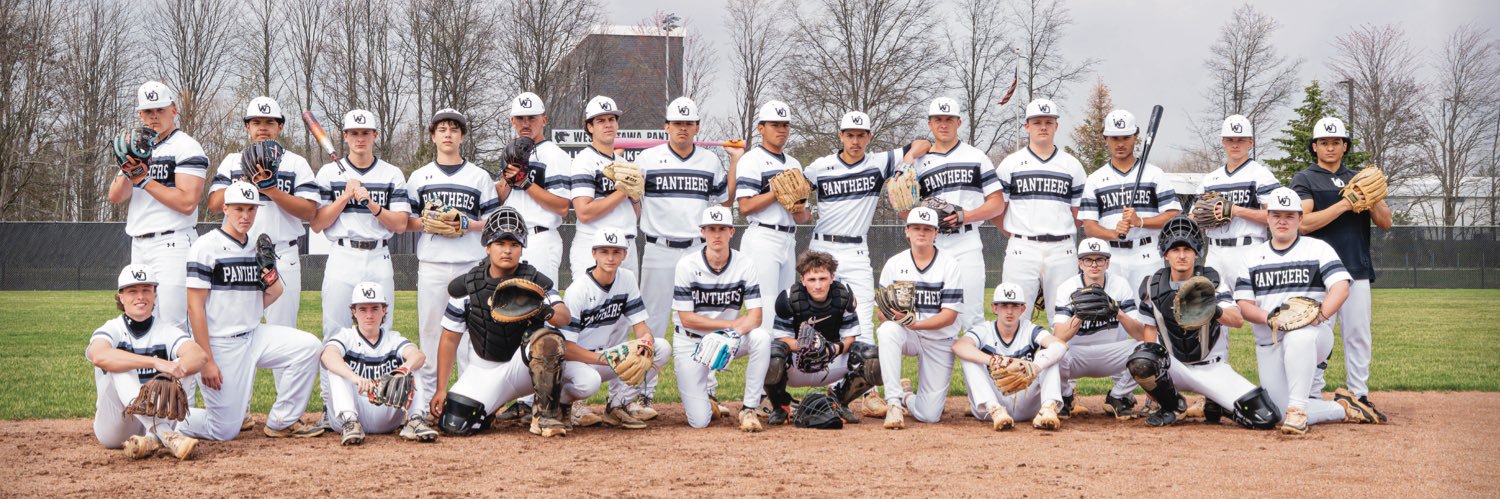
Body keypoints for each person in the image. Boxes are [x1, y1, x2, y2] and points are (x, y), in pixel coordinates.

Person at [801, 111, 929, 417]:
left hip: (857, 250)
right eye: (850, 135)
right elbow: (797, 194)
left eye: (861, 135)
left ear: (869, 137)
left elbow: (923, 142)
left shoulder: (879, 162)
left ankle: (868, 391)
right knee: (822, 321)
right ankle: (826, 387)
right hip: (822, 248)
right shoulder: (820, 167)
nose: (855, 140)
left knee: (863, 322)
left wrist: (907, 161)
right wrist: (798, 207)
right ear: (841, 136)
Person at [430, 208, 597, 438]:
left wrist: (541, 309)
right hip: (485, 369)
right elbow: (449, 339)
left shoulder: (534, 281)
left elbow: (563, 317)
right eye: (500, 243)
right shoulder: (468, 286)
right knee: (454, 424)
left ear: (522, 247)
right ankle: (491, 406)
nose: (507, 250)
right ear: (487, 246)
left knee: (586, 379)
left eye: (514, 244)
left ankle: (547, 413)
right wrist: (441, 389)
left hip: (523, 368)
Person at [176, 181, 324, 441]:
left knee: (309, 347)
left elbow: (276, 292)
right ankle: (164, 419)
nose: (245, 216)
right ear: (225, 208)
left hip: (255, 335)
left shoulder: (257, 244)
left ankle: (282, 420)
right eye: (239, 209)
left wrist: (269, 271)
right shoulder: (205, 246)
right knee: (224, 430)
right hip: (221, 343)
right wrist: (207, 360)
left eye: (251, 209)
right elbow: (194, 307)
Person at [630, 97, 744, 420]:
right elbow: (631, 197)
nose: (682, 128)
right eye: (677, 123)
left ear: (696, 128)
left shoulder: (709, 160)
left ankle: (707, 390)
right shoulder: (647, 159)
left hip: (697, 250)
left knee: (701, 321)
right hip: (658, 248)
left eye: (688, 123)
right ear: (666, 126)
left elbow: (725, 200)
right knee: (653, 323)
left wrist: (735, 161)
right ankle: (643, 393)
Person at [1235, 187, 1382, 435]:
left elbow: (1341, 287)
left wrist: (1320, 317)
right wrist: (1269, 318)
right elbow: (1244, 306)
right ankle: (1343, 408)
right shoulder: (1252, 257)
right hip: (1270, 342)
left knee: (1298, 333)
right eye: (1276, 215)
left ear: (1300, 219)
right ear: (1268, 218)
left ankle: (1298, 412)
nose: (1282, 221)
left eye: (1289, 216)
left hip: (1313, 336)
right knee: (1277, 413)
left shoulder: (1317, 249)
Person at [1131, 217, 1282, 430]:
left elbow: (1237, 320)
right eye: (1175, 250)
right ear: (1165, 253)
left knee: (1265, 417)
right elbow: (1149, 333)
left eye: (1187, 249)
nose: (1181, 255)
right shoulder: (1152, 286)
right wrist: (1153, 386)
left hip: (1213, 368)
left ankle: (1218, 403)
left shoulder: (1211, 281)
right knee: (1142, 360)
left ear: (1197, 252)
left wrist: (1212, 309)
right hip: (1176, 367)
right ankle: (1173, 405)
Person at [1291, 117, 1393, 422]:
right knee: (1317, 334)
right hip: (1319, 272)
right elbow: (1303, 224)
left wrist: (1371, 199)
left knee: (1358, 335)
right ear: (1314, 147)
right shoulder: (1305, 178)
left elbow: (1386, 222)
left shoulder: (1357, 178)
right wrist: (1345, 204)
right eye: (1324, 142)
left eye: (1336, 142)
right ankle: (1311, 393)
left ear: (1345, 146)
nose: (1330, 147)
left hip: (1356, 267)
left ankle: (1359, 395)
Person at [402, 108, 498, 429]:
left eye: (454, 130)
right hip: (432, 263)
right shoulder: (419, 177)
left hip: (470, 265)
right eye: (441, 129)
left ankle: (468, 403)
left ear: (462, 137)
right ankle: (428, 404)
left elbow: (492, 222)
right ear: (433, 136)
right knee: (430, 334)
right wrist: (430, 222)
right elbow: (407, 221)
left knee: (471, 338)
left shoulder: (479, 177)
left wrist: (465, 223)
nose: (447, 134)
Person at [107, 80, 209, 342]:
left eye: (160, 110)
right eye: (148, 111)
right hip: (139, 244)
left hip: (173, 242)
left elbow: (187, 202)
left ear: (173, 110)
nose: (154, 116)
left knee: (174, 322)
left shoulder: (186, 146)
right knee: (144, 319)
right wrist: (127, 170)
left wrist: (143, 180)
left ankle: (183, 371)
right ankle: (155, 370)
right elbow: (115, 197)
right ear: (140, 114)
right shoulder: (137, 146)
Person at [207, 96, 319, 328]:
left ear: (280, 126)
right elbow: (215, 203)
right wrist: (245, 181)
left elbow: (309, 211)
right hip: (239, 255)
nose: (263, 128)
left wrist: (272, 190)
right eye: (256, 122)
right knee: (235, 328)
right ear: (247, 127)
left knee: (283, 331)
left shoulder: (295, 163)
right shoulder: (233, 161)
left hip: (281, 254)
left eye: (269, 122)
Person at [88, 264, 207, 460]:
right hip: (116, 427)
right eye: (132, 291)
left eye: (146, 290)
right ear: (121, 297)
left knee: (182, 364)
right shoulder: (112, 328)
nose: (140, 296)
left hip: (156, 416)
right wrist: (154, 363)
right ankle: (165, 434)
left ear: (155, 295)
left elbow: (199, 356)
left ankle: (151, 439)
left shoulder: (166, 330)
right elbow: (99, 356)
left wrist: (172, 371)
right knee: (119, 363)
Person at [670, 206, 772, 431]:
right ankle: (708, 404)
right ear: (702, 232)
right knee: (699, 422)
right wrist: (730, 326)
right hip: (691, 341)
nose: (716, 234)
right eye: (711, 229)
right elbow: (687, 319)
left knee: (761, 338)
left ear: (731, 232)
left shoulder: (745, 263)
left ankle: (749, 408)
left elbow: (755, 316)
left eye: (722, 229)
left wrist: (730, 334)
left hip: (729, 339)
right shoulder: (687, 265)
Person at [310, 109, 409, 337]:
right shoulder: (328, 173)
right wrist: (345, 196)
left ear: (375, 135)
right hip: (342, 256)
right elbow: (317, 224)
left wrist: (372, 204)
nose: (360, 138)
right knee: (335, 332)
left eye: (365, 133)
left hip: (379, 256)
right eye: (354, 133)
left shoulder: (392, 173)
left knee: (381, 331)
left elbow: (401, 224)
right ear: (345, 136)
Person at [909, 98, 1006, 331]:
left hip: (966, 241)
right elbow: (905, 212)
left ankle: (975, 355)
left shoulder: (976, 157)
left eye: (949, 119)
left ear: (959, 122)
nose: (943, 124)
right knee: (931, 314)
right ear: (930, 123)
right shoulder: (918, 164)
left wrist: (966, 216)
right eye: (938, 120)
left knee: (972, 315)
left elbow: (997, 203)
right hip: (932, 242)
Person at [559, 228, 670, 429]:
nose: (610, 258)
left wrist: (646, 342)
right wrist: (605, 358)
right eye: (604, 251)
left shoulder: (626, 279)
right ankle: (563, 405)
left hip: (603, 357)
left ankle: (617, 406)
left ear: (624, 255)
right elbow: (566, 348)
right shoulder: (578, 290)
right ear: (594, 253)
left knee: (661, 348)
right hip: (574, 362)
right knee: (590, 382)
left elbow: (640, 326)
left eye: (616, 252)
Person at [995, 98, 1088, 320]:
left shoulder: (1072, 165)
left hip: (1062, 249)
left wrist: (1060, 231)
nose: (1043, 127)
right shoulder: (1011, 163)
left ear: (1057, 125)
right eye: (1037, 122)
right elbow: (998, 211)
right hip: (1022, 248)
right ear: (1027, 126)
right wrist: (1017, 234)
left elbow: (1078, 215)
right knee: (1014, 316)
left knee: (1065, 317)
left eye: (1048, 122)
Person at [763, 250, 880, 425]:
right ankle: (781, 406)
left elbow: (850, 338)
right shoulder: (789, 298)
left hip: (831, 360)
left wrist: (832, 349)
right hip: (797, 363)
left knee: (873, 359)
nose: (818, 285)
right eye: (812, 279)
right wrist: (807, 347)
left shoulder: (843, 296)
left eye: (823, 278)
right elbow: (782, 338)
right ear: (802, 279)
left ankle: (838, 401)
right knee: (769, 354)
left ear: (832, 277)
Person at [877, 207, 964, 429]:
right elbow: (880, 313)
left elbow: (950, 316)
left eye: (927, 228)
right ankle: (893, 402)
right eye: (916, 228)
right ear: (907, 231)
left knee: (929, 415)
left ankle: (907, 397)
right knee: (887, 330)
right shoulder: (894, 264)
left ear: (936, 233)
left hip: (939, 338)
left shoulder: (949, 264)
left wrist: (916, 324)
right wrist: (895, 316)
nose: (921, 233)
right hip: (907, 334)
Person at [1079, 109, 1183, 291]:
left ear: (1135, 137)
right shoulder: (1095, 179)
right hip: (1110, 256)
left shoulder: (1154, 174)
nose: (1120, 144)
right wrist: (1114, 233)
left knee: (1149, 306)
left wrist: (1139, 221)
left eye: (1126, 137)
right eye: (1114, 138)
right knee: (1112, 307)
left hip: (1147, 253)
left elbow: (1173, 215)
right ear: (1106, 139)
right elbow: (1089, 227)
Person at [321, 282, 432, 444]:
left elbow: (418, 356)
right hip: (350, 413)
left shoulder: (393, 339)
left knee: (412, 368)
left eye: (374, 308)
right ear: (354, 311)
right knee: (336, 369)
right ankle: (350, 423)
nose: (369, 315)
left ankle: (416, 420)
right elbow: (328, 355)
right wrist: (355, 378)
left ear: (384, 310)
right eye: (363, 309)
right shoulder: (346, 336)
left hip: (386, 416)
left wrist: (402, 370)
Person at [1049, 238, 1148, 420]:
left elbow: (1140, 334)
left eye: (1099, 259)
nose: (1094, 265)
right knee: (1051, 351)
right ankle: (1066, 395)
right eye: (1088, 260)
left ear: (1107, 263)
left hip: (1112, 354)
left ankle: (1118, 396)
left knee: (1150, 346)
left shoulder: (1120, 285)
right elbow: (1059, 336)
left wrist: (1118, 312)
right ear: (1080, 263)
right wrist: (1080, 315)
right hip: (1076, 355)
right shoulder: (1067, 288)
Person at [735, 100, 809, 331]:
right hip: (763, 237)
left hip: (788, 238)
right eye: (775, 124)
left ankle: (779, 351)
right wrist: (776, 192)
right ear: (761, 128)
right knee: (765, 305)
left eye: (785, 125)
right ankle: (763, 351)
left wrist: (800, 208)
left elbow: (801, 217)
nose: (781, 129)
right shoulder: (751, 159)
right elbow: (745, 206)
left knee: (785, 304)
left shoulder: (794, 163)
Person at [953, 283, 1067, 431]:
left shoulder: (1029, 329)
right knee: (969, 359)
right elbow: (959, 346)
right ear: (995, 308)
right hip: (991, 405)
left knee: (1050, 356)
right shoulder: (984, 329)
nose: (1009, 311)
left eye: (1014, 306)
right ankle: (995, 410)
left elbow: (1060, 345)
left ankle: (1047, 410)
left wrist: (1036, 366)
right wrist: (995, 361)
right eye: (1004, 305)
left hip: (1027, 403)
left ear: (1022, 309)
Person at [495, 92, 574, 283]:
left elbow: (562, 207)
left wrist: (525, 183)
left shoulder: (555, 155)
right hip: (510, 239)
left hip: (539, 238)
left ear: (544, 120)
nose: (526, 124)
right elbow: (498, 199)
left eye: (532, 118)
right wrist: (507, 178)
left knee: (540, 298)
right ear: (512, 121)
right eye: (520, 118)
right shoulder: (510, 152)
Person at [1196, 114, 1279, 290]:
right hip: (1215, 251)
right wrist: (1201, 218)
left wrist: (1236, 211)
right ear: (1223, 142)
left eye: (1241, 140)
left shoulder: (1261, 174)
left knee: (1252, 303)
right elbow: (1194, 215)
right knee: (1213, 304)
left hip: (1248, 249)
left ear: (1251, 142)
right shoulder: (1210, 179)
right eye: (1230, 140)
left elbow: (1276, 216)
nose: (1235, 144)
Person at [568, 95, 641, 283]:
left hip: (626, 246)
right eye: (600, 121)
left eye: (611, 119)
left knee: (627, 302)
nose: (608, 124)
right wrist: (623, 191)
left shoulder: (624, 164)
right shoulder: (584, 160)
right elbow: (584, 212)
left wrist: (634, 195)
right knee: (590, 301)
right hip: (595, 246)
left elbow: (634, 214)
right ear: (590, 127)